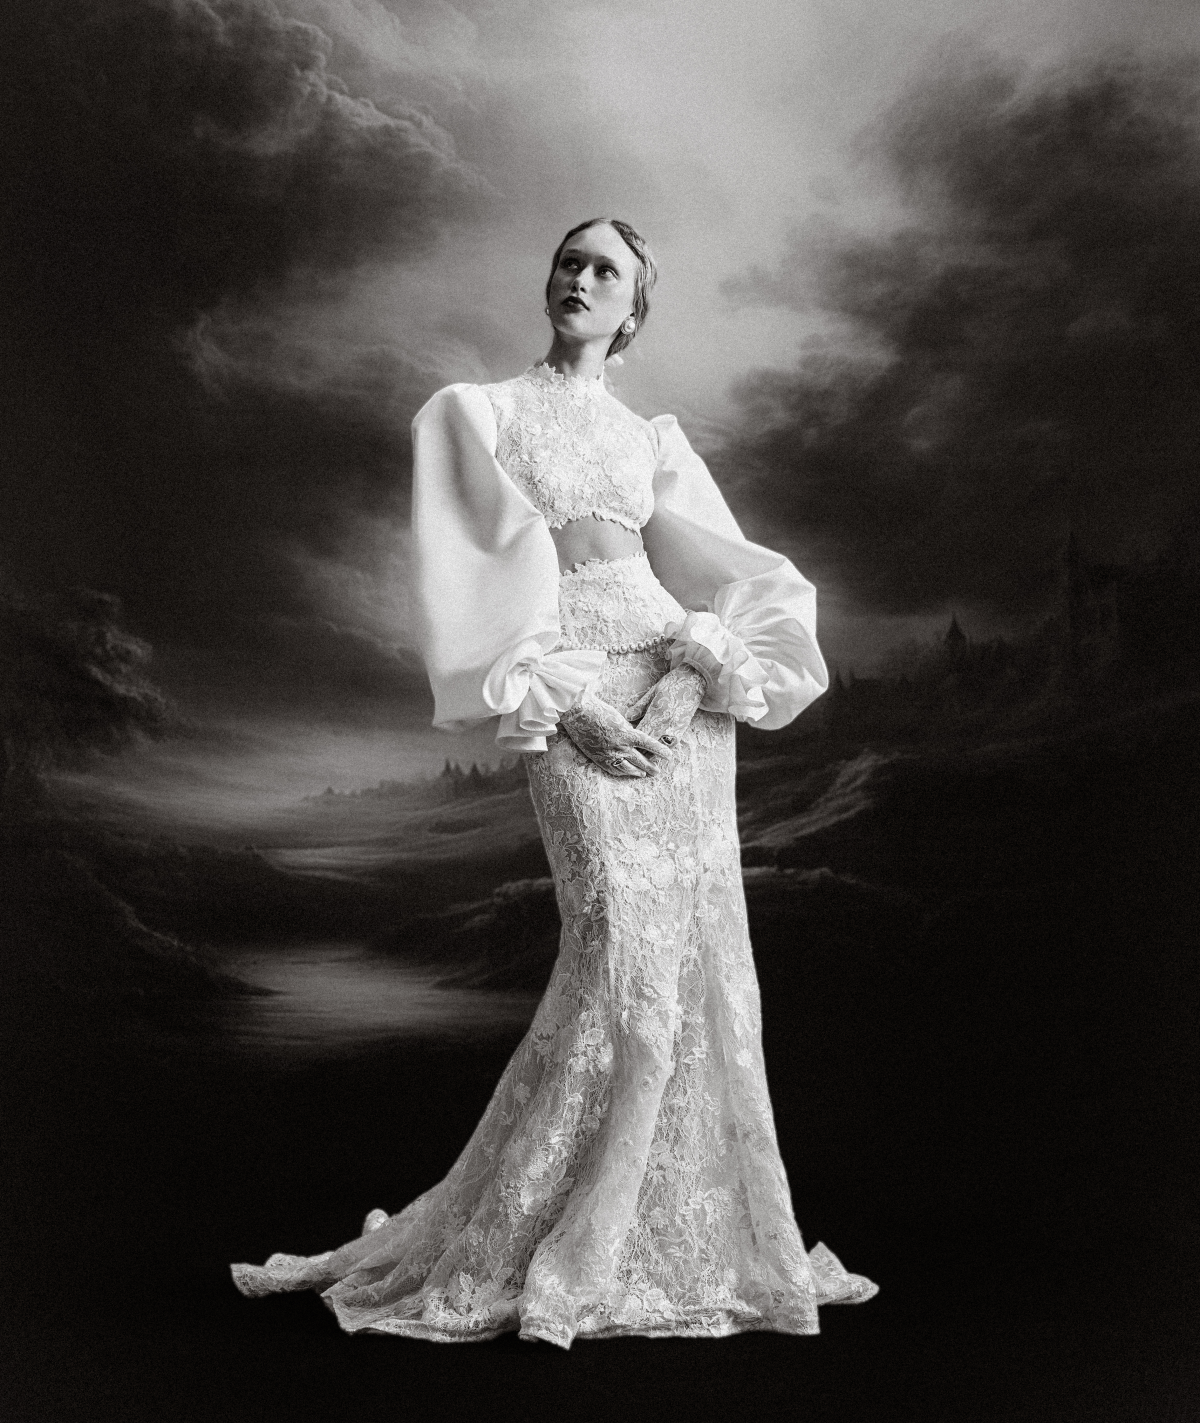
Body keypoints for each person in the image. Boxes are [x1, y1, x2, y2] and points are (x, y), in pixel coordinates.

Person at [231, 218, 878, 1347]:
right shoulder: (477, 414)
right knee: (615, 949)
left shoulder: (649, 436)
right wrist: (569, 704)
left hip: (675, 693)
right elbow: (465, 587)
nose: (579, 279)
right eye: (568, 263)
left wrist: (690, 678)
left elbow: (735, 576)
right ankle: (545, 1238)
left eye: (604, 270)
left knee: (692, 962)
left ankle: (650, 1241)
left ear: (633, 311)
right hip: (568, 686)